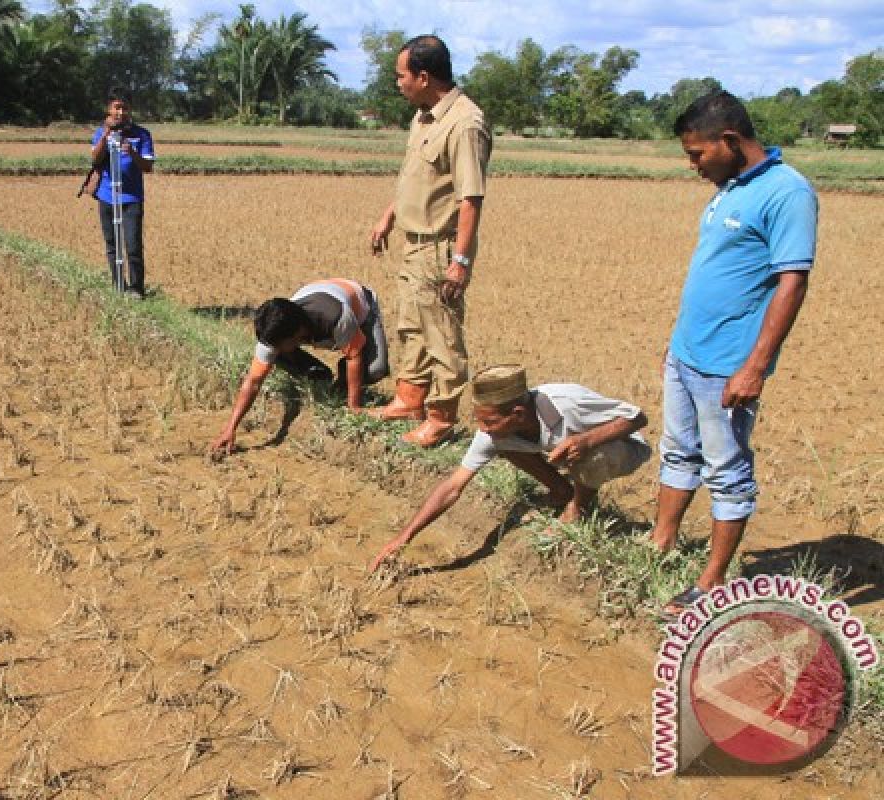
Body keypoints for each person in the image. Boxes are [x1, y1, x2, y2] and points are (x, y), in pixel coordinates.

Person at [648, 91, 818, 617]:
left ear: (729, 140)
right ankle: (661, 541)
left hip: (728, 365)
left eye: (698, 154)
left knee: (726, 468)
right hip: (687, 352)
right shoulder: (727, 188)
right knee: (678, 450)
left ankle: (713, 580)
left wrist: (753, 367)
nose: (692, 165)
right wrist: (677, 344)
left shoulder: (788, 193)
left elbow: (792, 282)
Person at [369, 365, 650, 573]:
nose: (483, 430)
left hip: (618, 446)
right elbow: (453, 487)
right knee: (504, 445)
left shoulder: (567, 402)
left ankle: (577, 508)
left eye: (489, 422)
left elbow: (637, 417)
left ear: (516, 414)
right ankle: (561, 489)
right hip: (566, 450)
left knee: (595, 457)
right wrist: (404, 537)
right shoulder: (494, 432)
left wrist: (587, 440)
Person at [367, 34, 491, 448]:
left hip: (440, 247)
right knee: (412, 326)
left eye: (401, 75)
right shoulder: (423, 117)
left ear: (423, 76)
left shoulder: (464, 123)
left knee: (442, 335)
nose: (397, 83)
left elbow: (470, 199)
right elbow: (415, 180)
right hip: (413, 242)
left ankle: (441, 418)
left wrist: (461, 261)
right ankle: (409, 399)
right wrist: (388, 215)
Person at [210, 279, 389, 458]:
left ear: (297, 333)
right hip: (319, 301)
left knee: (375, 369)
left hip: (361, 306)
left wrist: (354, 406)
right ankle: (319, 375)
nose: (274, 348)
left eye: (280, 344)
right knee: (273, 356)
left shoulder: (336, 317)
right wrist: (230, 428)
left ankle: (344, 379)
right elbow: (254, 381)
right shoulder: (274, 331)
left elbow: (354, 356)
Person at [90, 87, 155, 298]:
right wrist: (106, 136)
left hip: (131, 198)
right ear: (108, 109)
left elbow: (148, 166)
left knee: (132, 244)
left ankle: (136, 288)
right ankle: (119, 285)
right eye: (117, 107)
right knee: (112, 244)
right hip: (107, 196)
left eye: (124, 108)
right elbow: (95, 159)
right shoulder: (101, 132)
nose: (120, 112)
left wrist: (132, 152)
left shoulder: (142, 135)